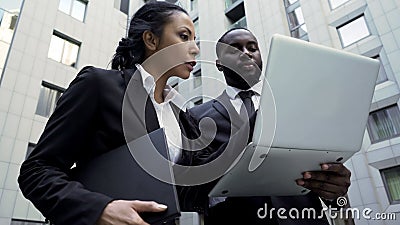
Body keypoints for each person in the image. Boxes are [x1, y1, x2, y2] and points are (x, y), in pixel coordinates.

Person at [18, 2, 199, 225]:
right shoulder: (98, 85)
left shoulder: (180, 114)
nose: (195, 48)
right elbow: (36, 172)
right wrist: (100, 210)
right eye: (184, 36)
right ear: (151, 40)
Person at [184, 28, 352, 225]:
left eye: (252, 48)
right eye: (235, 50)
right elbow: (194, 185)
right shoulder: (195, 116)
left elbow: (319, 167)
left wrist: (333, 192)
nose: (246, 53)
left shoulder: (296, 108)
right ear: (219, 64)